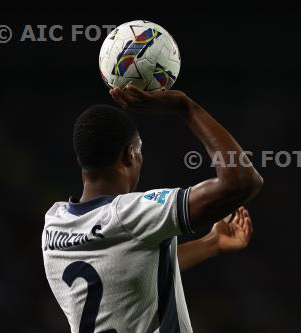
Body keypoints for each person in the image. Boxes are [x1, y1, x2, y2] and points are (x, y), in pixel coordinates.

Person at [42, 84, 263, 332]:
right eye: (140, 149)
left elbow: (134, 268)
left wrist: (211, 243)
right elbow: (242, 181)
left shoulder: (54, 225)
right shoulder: (130, 215)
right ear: (130, 155)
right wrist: (187, 108)